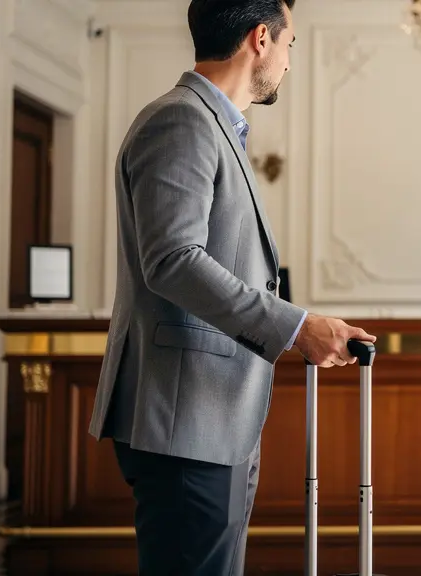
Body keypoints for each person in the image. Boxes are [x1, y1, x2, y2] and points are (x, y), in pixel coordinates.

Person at [85, 1, 376, 574]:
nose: (290, 62)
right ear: (260, 39)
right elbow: (172, 260)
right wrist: (296, 327)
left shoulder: (216, 127)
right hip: (185, 418)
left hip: (208, 418)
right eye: (290, 44)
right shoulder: (182, 120)